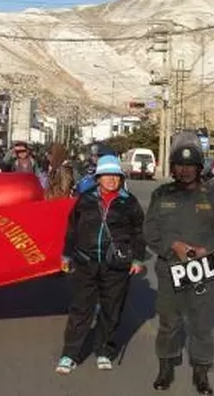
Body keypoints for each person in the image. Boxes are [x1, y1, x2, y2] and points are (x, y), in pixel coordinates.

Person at [144, 143, 214, 394]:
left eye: (190, 166)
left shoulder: (211, 197)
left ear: (198, 168)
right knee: (169, 321)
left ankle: (201, 372)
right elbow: (149, 231)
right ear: (173, 168)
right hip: (170, 269)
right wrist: (173, 246)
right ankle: (165, 367)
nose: (184, 170)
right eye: (180, 165)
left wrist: (208, 250)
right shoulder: (161, 195)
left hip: (202, 270)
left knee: (201, 323)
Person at [55, 155, 147, 375]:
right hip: (86, 261)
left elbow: (138, 233)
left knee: (111, 309)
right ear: (98, 178)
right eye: (107, 175)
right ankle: (70, 354)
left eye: (115, 176)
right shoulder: (85, 199)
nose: (111, 180)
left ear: (121, 178)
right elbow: (72, 229)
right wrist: (66, 255)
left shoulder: (129, 202)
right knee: (81, 309)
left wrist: (138, 259)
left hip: (116, 265)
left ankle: (104, 350)